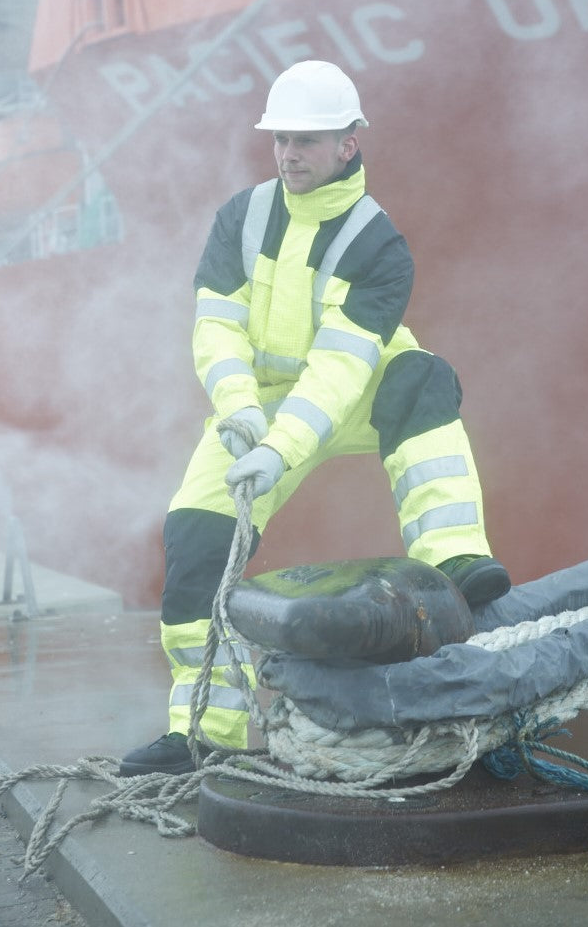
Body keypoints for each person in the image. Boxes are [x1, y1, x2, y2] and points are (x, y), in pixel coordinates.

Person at [119, 60, 510, 777]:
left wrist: (279, 448)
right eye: (281, 139)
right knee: (194, 539)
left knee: (421, 378)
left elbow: (340, 366)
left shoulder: (377, 243)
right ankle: (205, 730)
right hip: (256, 407)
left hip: (351, 393)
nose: (289, 153)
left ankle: (454, 556)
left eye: (306, 140)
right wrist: (241, 414)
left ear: (347, 144)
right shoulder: (241, 218)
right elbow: (216, 327)